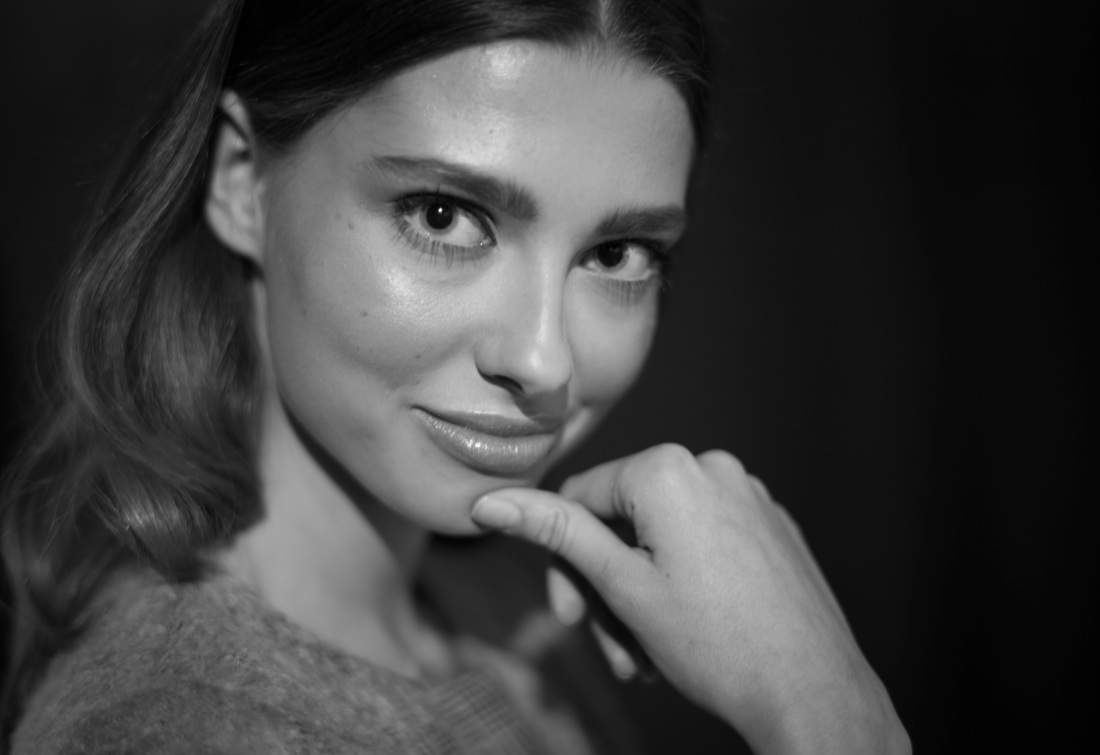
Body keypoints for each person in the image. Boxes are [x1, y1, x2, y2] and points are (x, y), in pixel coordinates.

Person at [0, 0, 910, 752]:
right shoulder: (178, 724)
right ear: (243, 178)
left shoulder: (518, 614)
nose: (545, 360)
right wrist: (827, 713)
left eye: (618, 252)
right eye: (443, 215)